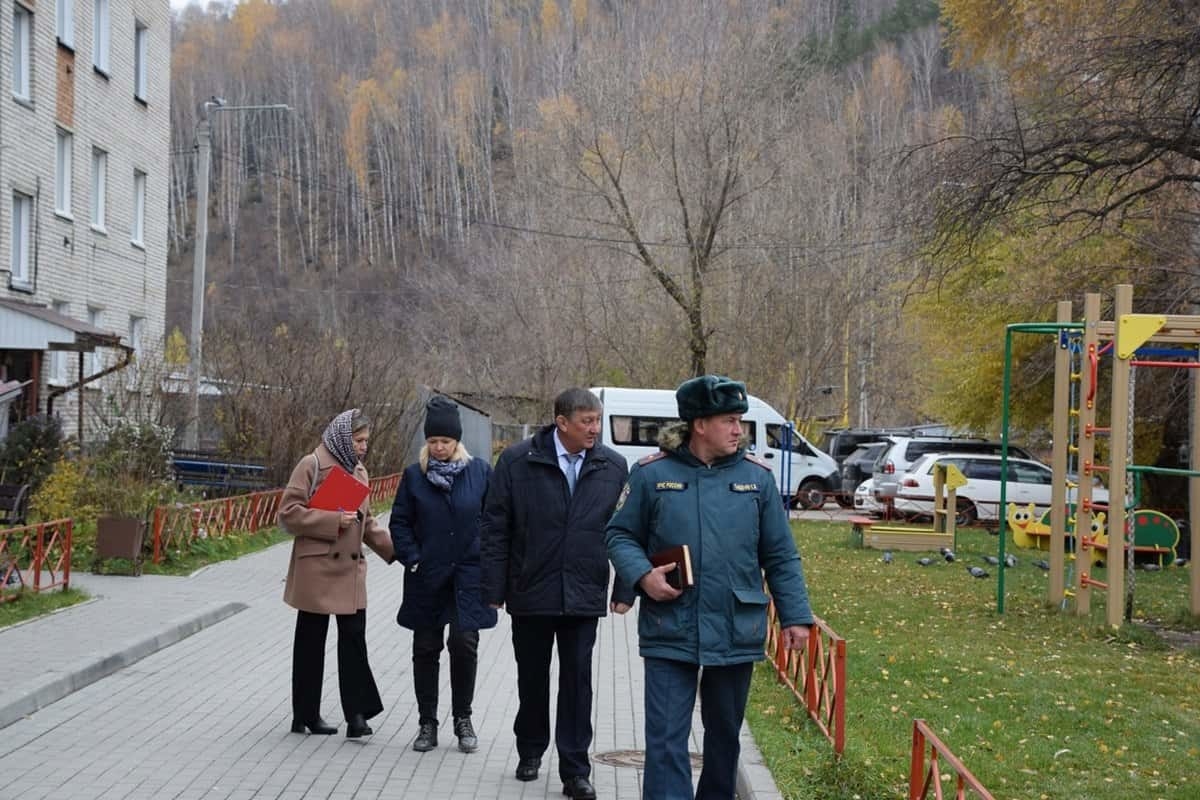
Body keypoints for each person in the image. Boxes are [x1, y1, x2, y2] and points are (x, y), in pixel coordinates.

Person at [606, 375, 814, 800]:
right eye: (730, 421)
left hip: (736, 626)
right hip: (671, 625)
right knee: (665, 739)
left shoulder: (757, 480)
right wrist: (643, 575)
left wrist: (796, 617)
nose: (740, 430)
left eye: (740, 421)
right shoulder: (651, 473)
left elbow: (780, 554)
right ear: (700, 423)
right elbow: (619, 535)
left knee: (724, 738)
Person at [481, 388, 633, 800]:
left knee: (577, 682)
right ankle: (530, 749)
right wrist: (493, 588)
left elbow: (629, 531)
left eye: (598, 421)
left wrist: (625, 586)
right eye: (586, 421)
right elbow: (496, 528)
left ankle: (575, 769)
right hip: (531, 589)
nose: (595, 429)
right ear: (561, 422)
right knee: (532, 678)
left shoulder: (612, 465)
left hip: (583, 592)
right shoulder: (517, 461)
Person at [389, 396, 497, 754]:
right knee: (425, 647)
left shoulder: (480, 472)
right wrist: (413, 558)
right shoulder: (413, 476)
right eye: (433, 441)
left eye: (445, 442)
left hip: (468, 576)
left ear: (457, 442)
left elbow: (494, 520)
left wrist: (485, 556)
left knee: (464, 645)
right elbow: (400, 522)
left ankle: (462, 718)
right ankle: (427, 722)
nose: (438, 448)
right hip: (427, 576)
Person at [279, 408, 395, 739]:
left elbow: (367, 521)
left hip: (351, 568)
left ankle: (356, 717)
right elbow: (288, 514)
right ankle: (305, 714)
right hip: (317, 566)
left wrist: (395, 551)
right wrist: (331, 521)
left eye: (366, 441)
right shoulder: (311, 464)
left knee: (354, 640)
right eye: (358, 440)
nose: (363, 447)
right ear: (344, 438)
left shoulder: (359, 471)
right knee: (310, 642)